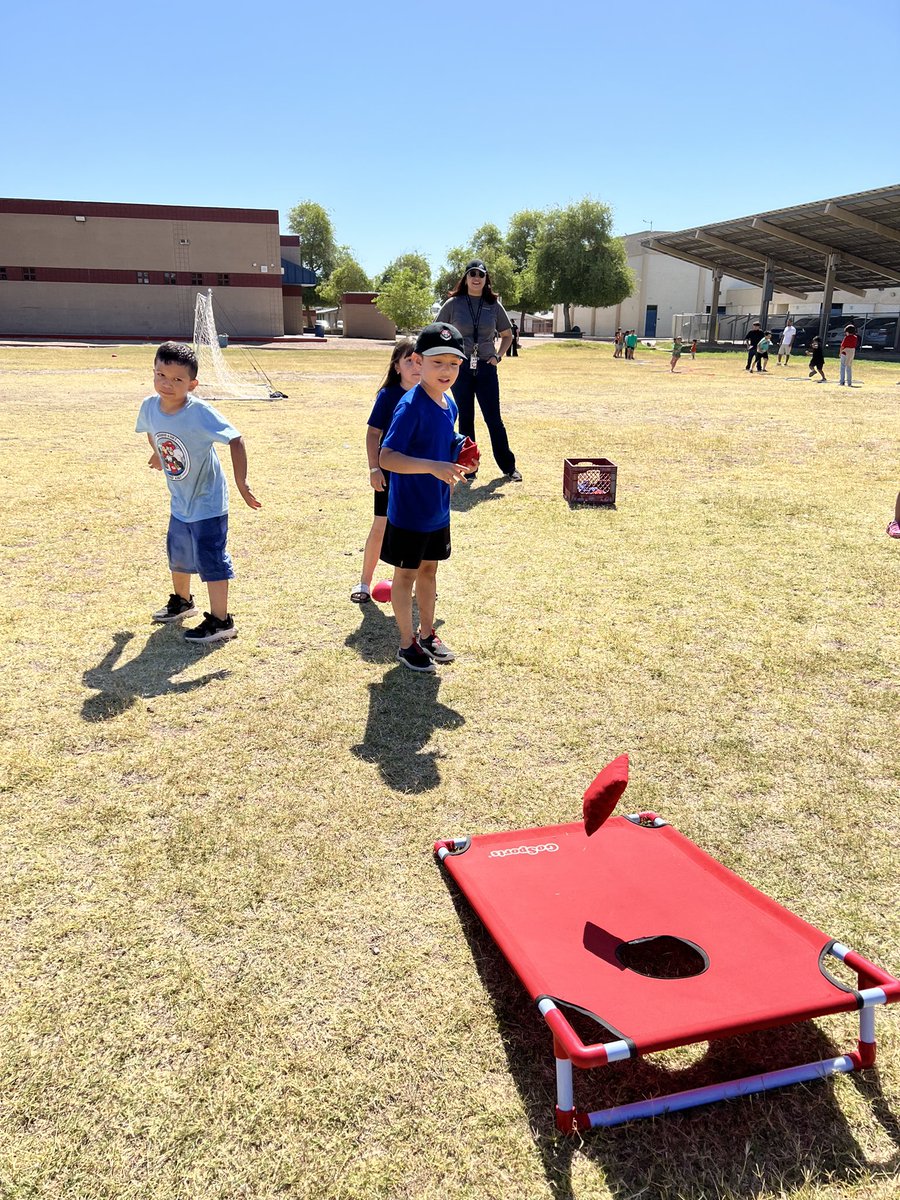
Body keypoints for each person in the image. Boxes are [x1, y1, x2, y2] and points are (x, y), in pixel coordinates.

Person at [136, 341, 261, 643]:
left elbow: (236, 439)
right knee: (178, 555)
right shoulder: (150, 406)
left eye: (177, 379)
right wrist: (157, 453)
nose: (167, 384)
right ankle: (183, 602)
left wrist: (241, 483)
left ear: (192, 384)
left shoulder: (200, 413)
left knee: (211, 558)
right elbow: (153, 431)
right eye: (161, 375)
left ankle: (222, 622)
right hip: (180, 500)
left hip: (207, 502)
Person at [379, 322, 477, 672]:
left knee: (430, 570)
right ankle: (406, 644)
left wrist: (459, 448)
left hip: (438, 508)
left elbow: (442, 439)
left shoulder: (448, 402)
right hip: (409, 512)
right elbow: (387, 457)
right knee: (404, 575)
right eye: (438, 363)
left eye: (453, 363)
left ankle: (427, 632)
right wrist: (433, 467)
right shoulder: (410, 405)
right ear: (418, 362)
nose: (446, 370)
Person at [436, 260, 520, 482]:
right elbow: (436, 330)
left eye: (481, 275)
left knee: (494, 419)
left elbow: (507, 334)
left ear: (486, 279)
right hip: (460, 368)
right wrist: (448, 358)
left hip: (485, 367)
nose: (476, 278)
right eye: (472, 274)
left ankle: (509, 468)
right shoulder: (453, 304)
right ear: (465, 278)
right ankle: (469, 467)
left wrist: (497, 356)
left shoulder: (493, 305)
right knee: (466, 418)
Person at [351, 339, 419, 604]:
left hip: (418, 475)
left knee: (414, 530)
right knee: (382, 524)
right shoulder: (388, 395)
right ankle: (364, 582)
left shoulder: (431, 394)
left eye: (419, 361)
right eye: (409, 361)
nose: (415, 366)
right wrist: (374, 468)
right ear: (397, 366)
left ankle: (410, 583)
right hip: (389, 473)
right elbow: (373, 434)